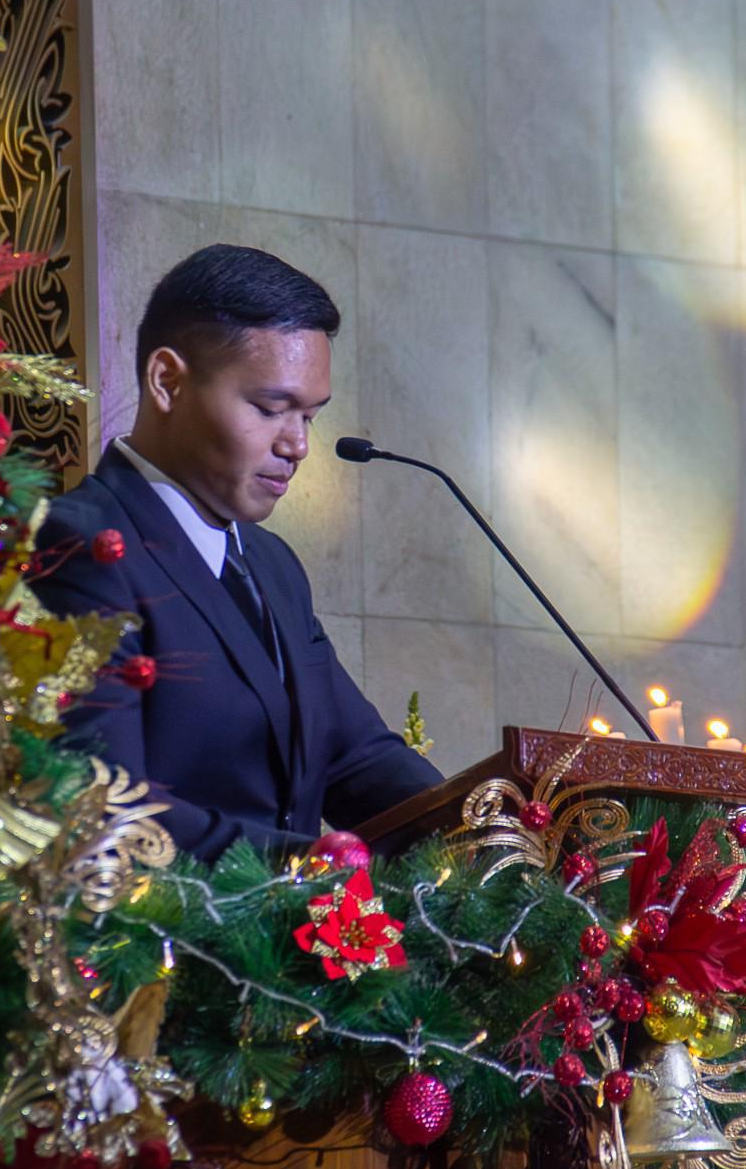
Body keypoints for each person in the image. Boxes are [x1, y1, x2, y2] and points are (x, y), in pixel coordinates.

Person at [31, 244, 443, 860]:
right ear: (167, 382)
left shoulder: (273, 564)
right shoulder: (82, 544)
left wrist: (488, 826)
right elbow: (101, 797)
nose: (297, 446)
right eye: (272, 409)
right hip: (167, 916)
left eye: (310, 417)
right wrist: (312, 870)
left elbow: (354, 758)